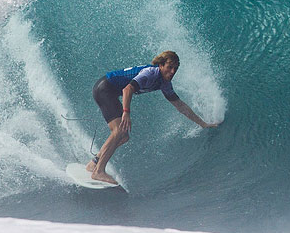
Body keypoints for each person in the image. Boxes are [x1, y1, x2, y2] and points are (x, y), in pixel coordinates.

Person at [85, 51, 218, 185]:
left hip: (110, 92)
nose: (172, 71)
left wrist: (203, 124)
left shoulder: (164, 83)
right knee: (118, 131)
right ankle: (98, 172)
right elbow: (127, 89)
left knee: (124, 136)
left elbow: (180, 105)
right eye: (169, 67)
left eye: (175, 68)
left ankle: (94, 163)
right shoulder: (151, 73)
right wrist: (126, 112)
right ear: (160, 65)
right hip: (104, 89)